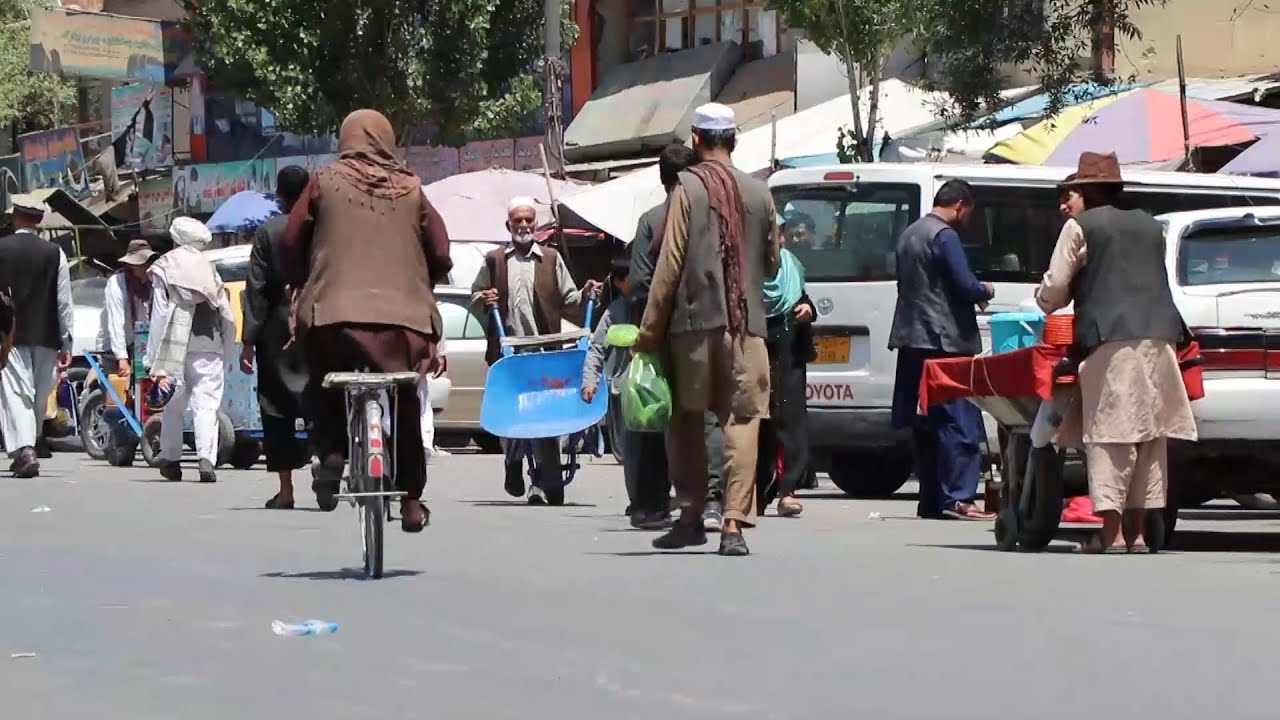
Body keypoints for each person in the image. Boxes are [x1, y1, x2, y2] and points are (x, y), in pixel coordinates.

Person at [281, 108, 452, 533]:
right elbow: (442, 251)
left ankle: (333, 452)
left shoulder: (325, 182)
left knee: (325, 378)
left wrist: (301, 279)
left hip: (334, 320)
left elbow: (290, 239)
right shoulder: (412, 188)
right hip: (404, 326)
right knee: (407, 399)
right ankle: (411, 500)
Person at [635, 103, 779, 557]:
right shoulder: (759, 192)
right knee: (742, 420)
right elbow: (772, 264)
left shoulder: (687, 188)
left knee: (687, 421)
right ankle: (733, 523)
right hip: (747, 327)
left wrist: (648, 332)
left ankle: (692, 516)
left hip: (693, 328)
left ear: (696, 140)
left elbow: (670, 264)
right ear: (733, 140)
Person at [1034, 152, 1197, 553]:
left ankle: (1112, 534)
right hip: (1160, 338)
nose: (1064, 203)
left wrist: (1044, 299)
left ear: (1087, 193)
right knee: (1147, 434)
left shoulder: (1079, 227)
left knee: (1109, 434)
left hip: (1112, 339)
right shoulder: (1150, 225)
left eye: (1069, 193)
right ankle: (1138, 532)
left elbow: (1054, 291)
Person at [471, 196, 601, 506]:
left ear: (536, 224)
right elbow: (475, 297)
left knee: (544, 418)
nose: (525, 225)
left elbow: (570, 300)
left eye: (529, 220)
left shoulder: (552, 259)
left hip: (544, 352)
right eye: (518, 221)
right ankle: (513, 461)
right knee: (512, 417)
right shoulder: (494, 260)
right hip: (509, 354)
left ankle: (544, 481)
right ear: (509, 225)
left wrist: (587, 295)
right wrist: (484, 299)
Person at [630, 143, 727, 531]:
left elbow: (640, 284)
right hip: (712, 327)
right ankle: (714, 502)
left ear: (661, 178)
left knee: (659, 414)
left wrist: (647, 332)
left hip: (666, 331)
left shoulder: (652, 220)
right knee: (708, 417)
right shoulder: (717, 216)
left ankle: (657, 502)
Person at [888, 179, 997, 521]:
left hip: (912, 339)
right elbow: (964, 284)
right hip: (945, 341)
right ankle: (960, 498)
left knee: (927, 421)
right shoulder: (944, 236)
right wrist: (986, 289)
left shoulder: (910, 234)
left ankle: (932, 498)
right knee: (959, 420)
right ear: (961, 205)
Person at [241, 165, 313, 510]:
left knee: (275, 410)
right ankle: (324, 470)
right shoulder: (321, 230)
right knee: (321, 403)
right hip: (318, 327)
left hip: (276, 334)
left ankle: (286, 490)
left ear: (280, 195)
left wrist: (247, 340)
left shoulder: (267, 233)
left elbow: (255, 290)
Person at [147, 217, 237, 483]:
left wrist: (154, 358)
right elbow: (225, 312)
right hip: (209, 346)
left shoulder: (164, 267)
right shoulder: (209, 270)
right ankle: (206, 459)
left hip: (175, 347)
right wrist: (226, 347)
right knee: (207, 405)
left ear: (175, 239)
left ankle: (171, 460)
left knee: (173, 405)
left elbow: (160, 315)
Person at [582, 257, 662, 526]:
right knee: (629, 452)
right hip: (624, 390)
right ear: (619, 282)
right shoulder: (614, 312)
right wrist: (589, 382)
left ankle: (657, 498)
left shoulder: (659, 306)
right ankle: (637, 499)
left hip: (657, 390)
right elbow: (596, 348)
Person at [0, 194, 72, 477]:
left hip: (10, 335)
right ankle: (29, 444)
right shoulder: (56, 253)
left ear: (15, 217)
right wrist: (67, 339)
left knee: (18, 392)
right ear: (40, 220)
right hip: (47, 334)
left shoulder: (1, 249)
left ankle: (26, 449)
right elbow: (64, 300)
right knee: (40, 394)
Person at [756, 247, 817, 518]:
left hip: (788, 350)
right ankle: (754, 491)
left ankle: (787, 490)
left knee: (789, 419)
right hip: (754, 344)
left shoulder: (791, 265)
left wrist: (808, 309)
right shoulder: (745, 265)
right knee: (756, 421)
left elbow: (803, 298)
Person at [99, 239, 157, 379]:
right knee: (116, 391)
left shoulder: (151, 283)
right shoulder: (116, 283)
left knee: (142, 387)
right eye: (141, 263)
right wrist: (122, 357)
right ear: (131, 265)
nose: (145, 267)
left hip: (140, 343)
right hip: (114, 347)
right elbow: (115, 321)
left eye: (147, 262)